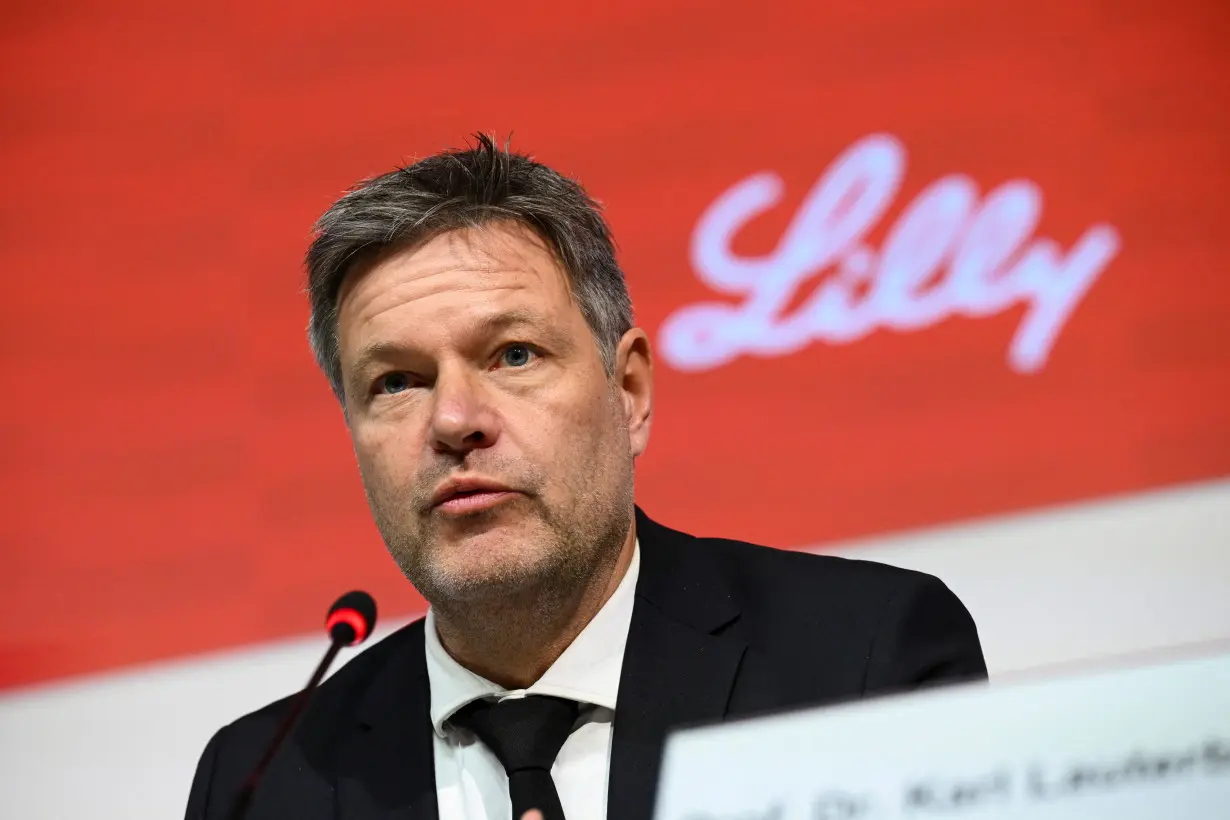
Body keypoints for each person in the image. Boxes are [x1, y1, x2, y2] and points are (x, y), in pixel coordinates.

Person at [185, 135, 986, 820]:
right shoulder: (263, 782)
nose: (455, 419)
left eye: (514, 355)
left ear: (629, 392)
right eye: (396, 381)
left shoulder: (863, 662)